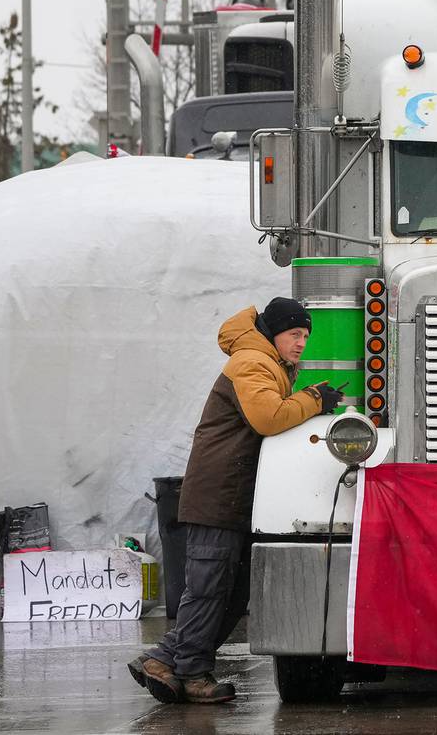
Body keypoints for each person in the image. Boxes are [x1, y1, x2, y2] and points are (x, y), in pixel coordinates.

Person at [131, 298, 342, 704]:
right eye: (295, 334)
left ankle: (165, 660)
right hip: (218, 493)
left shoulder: (270, 363)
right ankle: (189, 673)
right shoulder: (252, 361)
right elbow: (268, 418)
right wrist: (314, 399)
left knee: (229, 590)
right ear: (274, 331)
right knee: (209, 588)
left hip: (232, 494)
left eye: (306, 336)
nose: (302, 344)